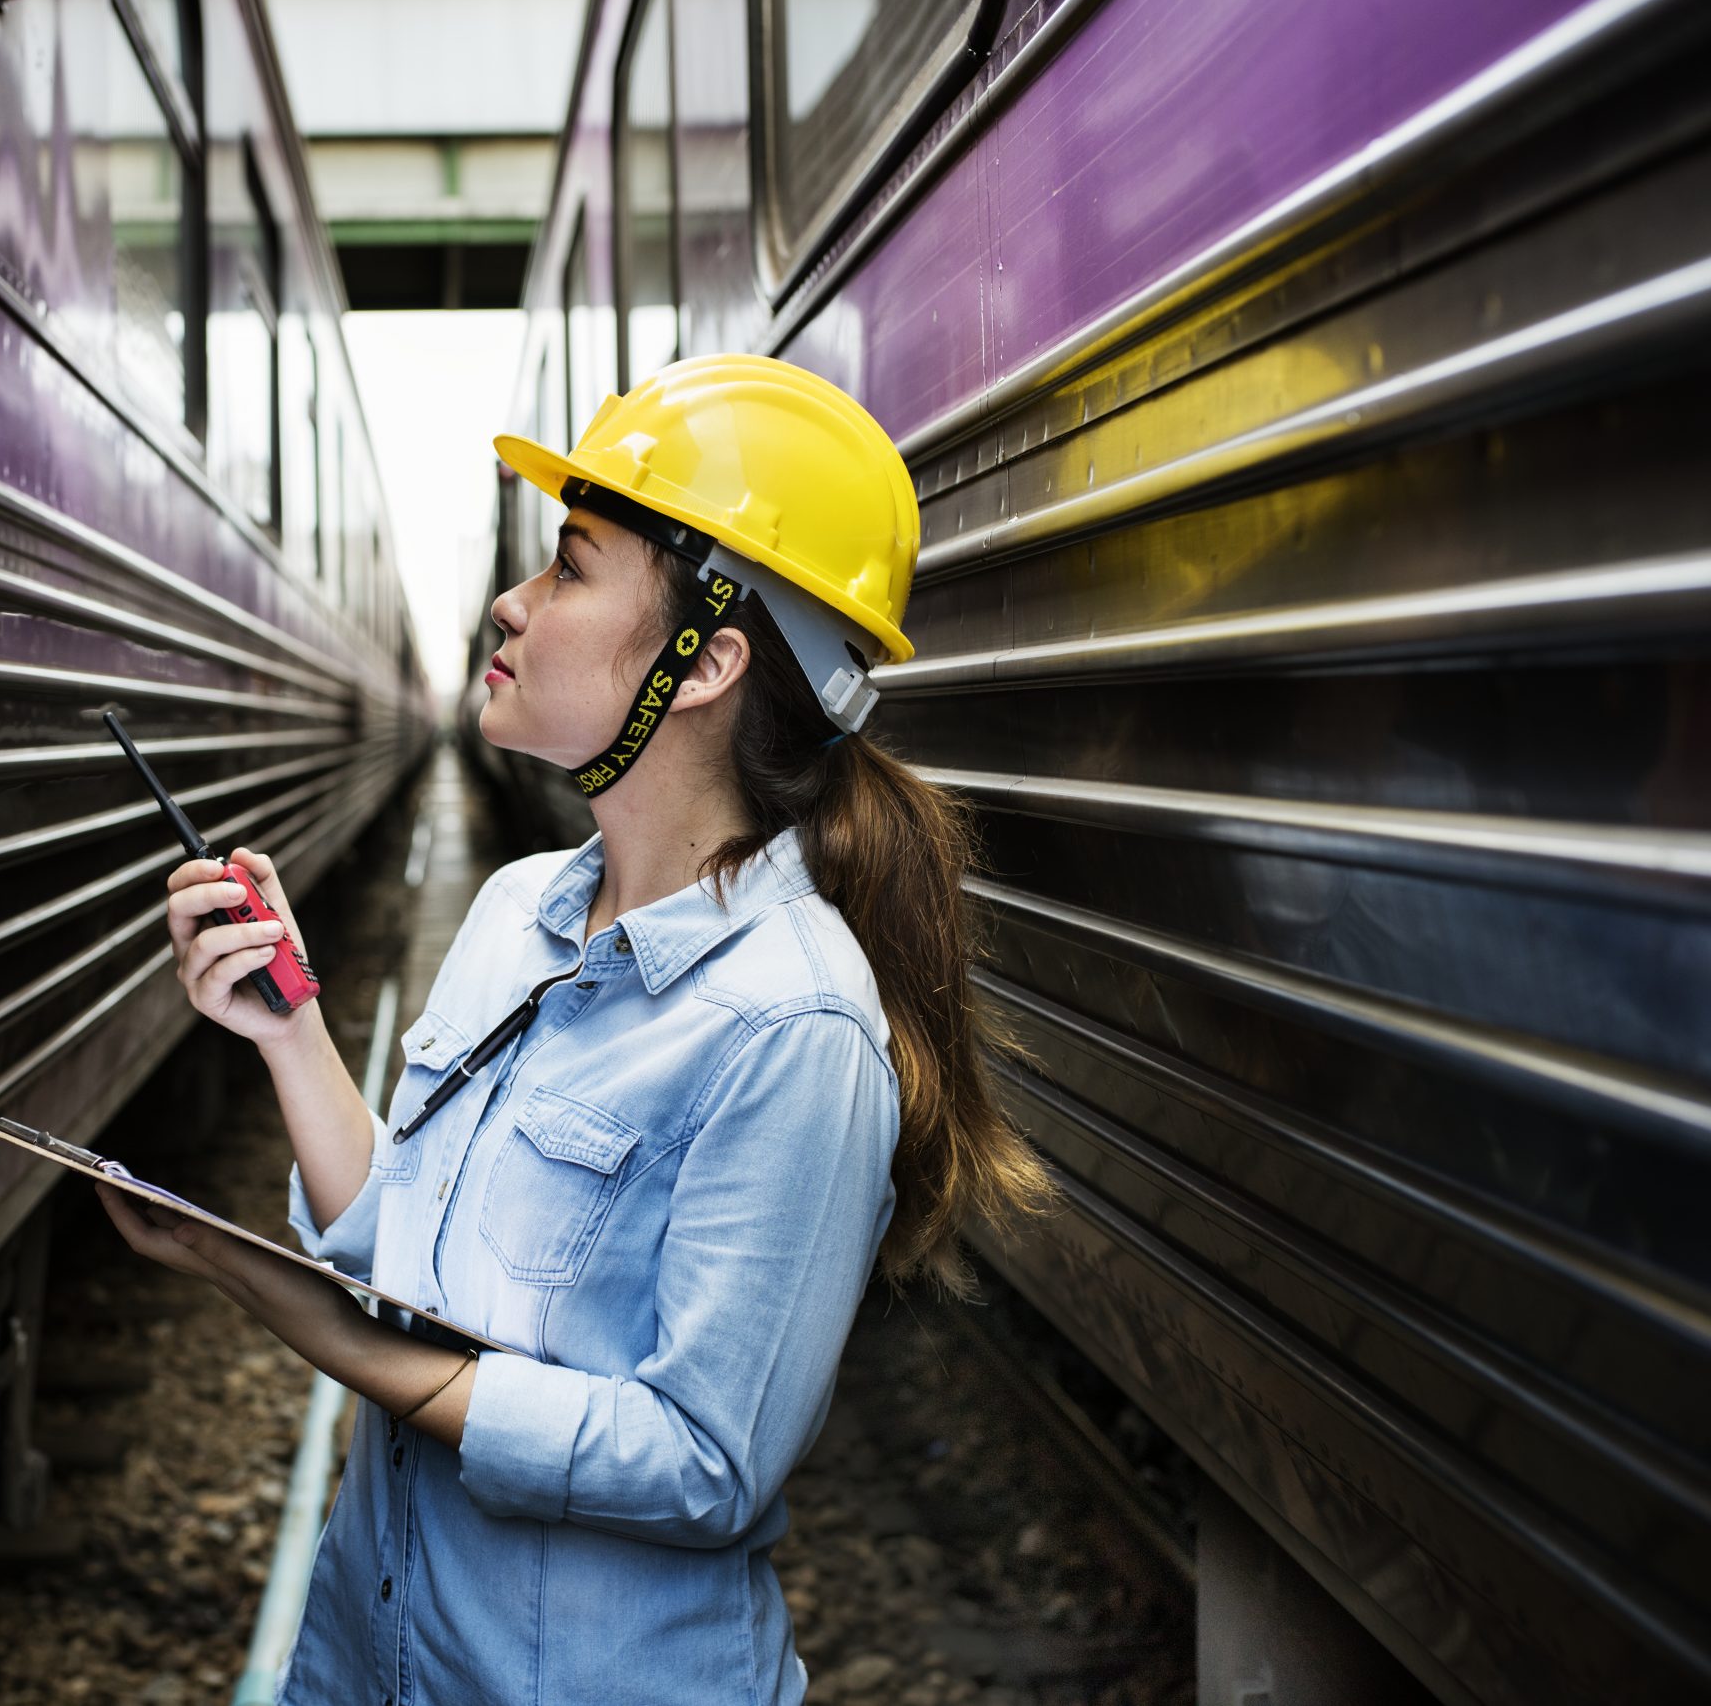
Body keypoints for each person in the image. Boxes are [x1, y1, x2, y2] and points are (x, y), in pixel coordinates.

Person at [98, 353, 1052, 1704]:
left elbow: (707, 1462)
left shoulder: (797, 1023)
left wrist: (314, 1321)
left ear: (708, 659)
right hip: (372, 1664)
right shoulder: (514, 913)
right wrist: (288, 1032)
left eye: (568, 565)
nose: (513, 597)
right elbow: (402, 1237)